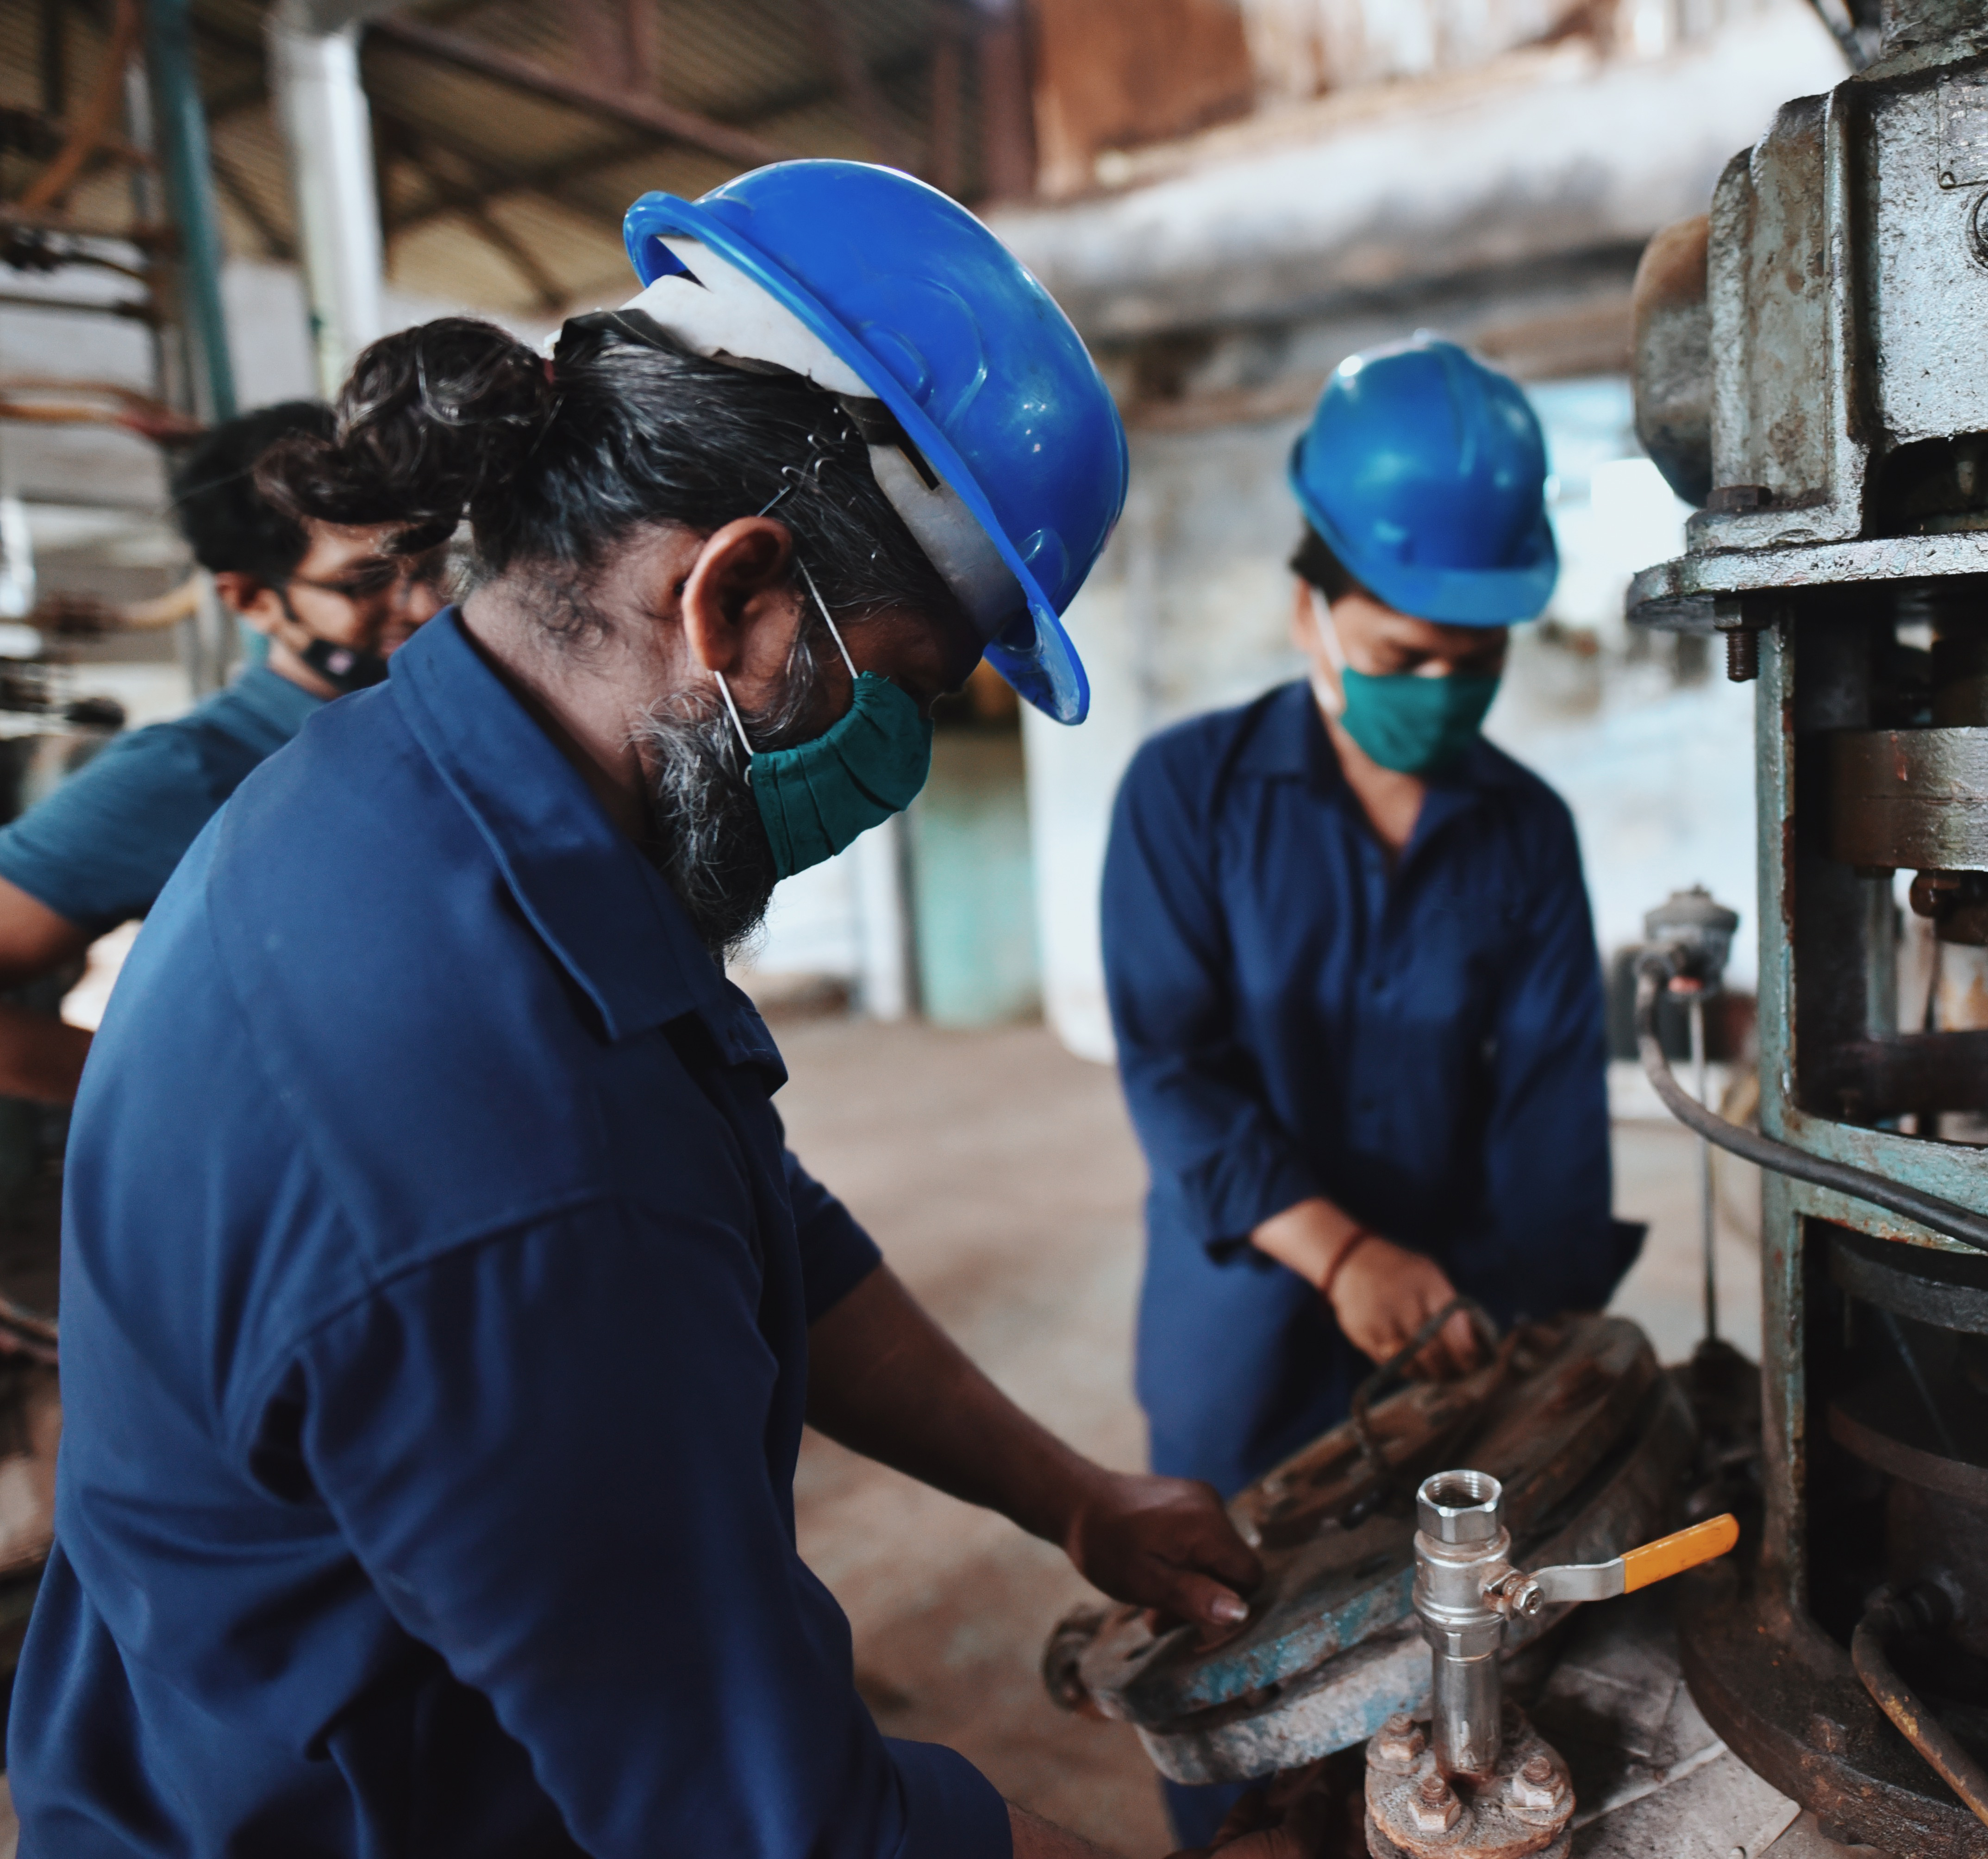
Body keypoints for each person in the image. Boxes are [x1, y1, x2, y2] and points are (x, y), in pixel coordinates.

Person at [9, 160, 1259, 1858]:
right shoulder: (501, 1152)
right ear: (735, 598)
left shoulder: (436, 801)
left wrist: (1068, 1490)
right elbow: (773, 1829)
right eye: (899, 686)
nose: (893, 759)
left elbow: (767, 1233)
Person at [1100, 335, 1638, 1848]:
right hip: (1245, 1324)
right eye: (1404, 659)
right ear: (1308, 606)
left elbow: (1547, 1115)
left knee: (1461, 1677)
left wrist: (1533, 1350)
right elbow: (1174, 1072)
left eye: (1474, 669)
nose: (1440, 697)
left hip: (1459, 1323)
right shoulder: (1183, 797)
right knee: (1236, 1657)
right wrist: (1337, 1248)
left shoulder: (1523, 832)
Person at [0, 402, 441, 1102]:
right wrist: (204, 1107)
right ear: (252, 601)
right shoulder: (194, 769)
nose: (423, 604)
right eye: (365, 581)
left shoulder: (454, 721)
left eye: (434, 559)